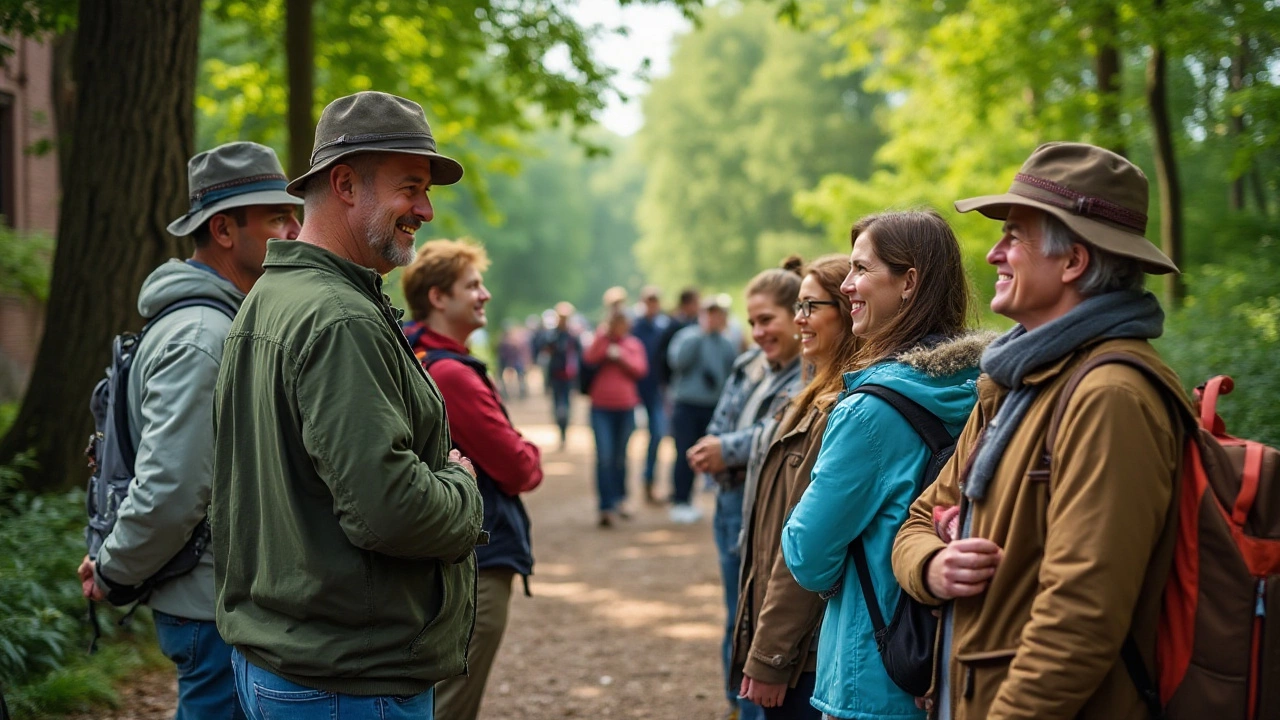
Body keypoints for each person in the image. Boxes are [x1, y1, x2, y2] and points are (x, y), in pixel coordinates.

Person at [210, 91, 485, 720]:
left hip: (287, 661)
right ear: (344, 184)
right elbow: (388, 511)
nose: (426, 209)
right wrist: (463, 490)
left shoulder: (270, 297)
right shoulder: (337, 318)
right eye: (410, 188)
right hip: (347, 681)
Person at [891, 143, 1190, 720]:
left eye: (1014, 237)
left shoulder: (1111, 398)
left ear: (1073, 262)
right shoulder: (1012, 382)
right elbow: (919, 521)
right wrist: (931, 567)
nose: (994, 254)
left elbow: (1082, 617)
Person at [75, 142, 302, 720]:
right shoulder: (204, 338)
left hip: (221, 601)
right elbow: (173, 488)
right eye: (276, 216)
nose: (296, 227)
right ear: (224, 229)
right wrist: (112, 572)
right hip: (212, 607)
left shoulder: (219, 320)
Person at [783, 210, 987, 720]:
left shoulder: (870, 411)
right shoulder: (991, 389)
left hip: (875, 674)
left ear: (909, 282)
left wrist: (844, 568)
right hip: (960, 660)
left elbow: (807, 551)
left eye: (861, 269)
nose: (847, 285)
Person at [400, 239, 544, 720]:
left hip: (443, 555)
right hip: (475, 560)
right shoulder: (451, 374)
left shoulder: (413, 353)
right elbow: (518, 467)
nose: (484, 294)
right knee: (450, 705)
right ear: (438, 297)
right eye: (472, 285)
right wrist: (529, 448)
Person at [730, 254, 857, 720]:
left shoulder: (843, 407)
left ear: (847, 311)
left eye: (808, 307)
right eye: (798, 308)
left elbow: (808, 544)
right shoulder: (808, 394)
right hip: (794, 643)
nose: (799, 320)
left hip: (809, 651)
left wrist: (771, 654)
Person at [689, 258, 806, 720]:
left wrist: (726, 450)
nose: (758, 331)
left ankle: (758, 706)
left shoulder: (807, 373)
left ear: (797, 316)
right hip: (730, 503)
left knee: (763, 614)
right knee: (734, 611)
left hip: (767, 508)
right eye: (753, 321)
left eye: (768, 320)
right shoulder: (747, 365)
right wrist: (713, 449)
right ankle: (736, 702)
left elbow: (778, 431)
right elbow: (723, 420)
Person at [667, 295, 738, 523]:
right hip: (687, 405)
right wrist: (700, 336)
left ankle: (717, 502)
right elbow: (678, 363)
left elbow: (733, 375)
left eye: (717, 314)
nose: (713, 318)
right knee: (685, 453)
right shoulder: (687, 337)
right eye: (709, 313)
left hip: (713, 407)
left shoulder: (726, 343)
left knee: (715, 453)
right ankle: (681, 499)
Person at [583, 310, 649, 526]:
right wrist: (604, 340)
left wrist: (619, 356)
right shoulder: (600, 340)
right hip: (601, 407)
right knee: (604, 456)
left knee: (621, 456)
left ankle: (621, 498)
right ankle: (605, 506)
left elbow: (640, 369)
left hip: (626, 407)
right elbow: (589, 358)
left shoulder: (633, 344)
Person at [631, 285, 671, 504]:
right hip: (633, 390)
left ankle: (648, 481)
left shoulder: (662, 327)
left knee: (657, 434)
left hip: (655, 390)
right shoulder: (633, 327)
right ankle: (622, 492)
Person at [540, 301, 583, 449]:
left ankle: (565, 432)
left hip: (569, 376)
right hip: (556, 376)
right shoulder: (552, 335)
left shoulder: (573, 336)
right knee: (558, 406)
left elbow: (580, 355)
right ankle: (561, 430)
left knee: (566, 407)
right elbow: (545, 352)